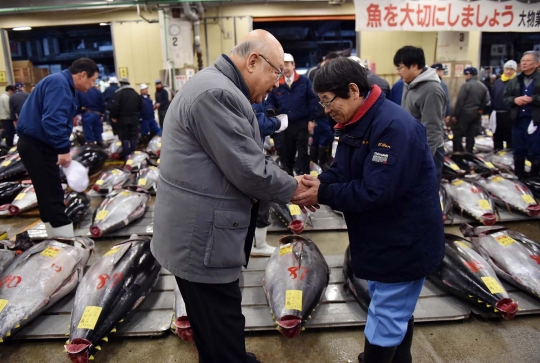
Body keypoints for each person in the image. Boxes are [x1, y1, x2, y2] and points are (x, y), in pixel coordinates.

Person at [151, 30, 309, 363]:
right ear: (253, 61)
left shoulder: (219, 87)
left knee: (213, 323)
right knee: (220, 323)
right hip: (201, 237)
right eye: (276, 72)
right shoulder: (216, 94)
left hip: (202, 231)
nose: (278, 83)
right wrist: (297, 190)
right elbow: (249, 170)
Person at [292, 57, 445, 363]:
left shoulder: (394, 127)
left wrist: (324, 192)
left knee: (386, 318)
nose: (325, 110)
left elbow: (375, 191)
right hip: (381, 238)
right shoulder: (356, 121)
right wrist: (319, 181)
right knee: (394, 310)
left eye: (327, 100)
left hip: (403, 241)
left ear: (353, 90)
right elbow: (345, 171)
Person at [16, 58, 99, 238]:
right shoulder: (60, 85)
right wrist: (63, 149)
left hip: (34, 144)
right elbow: (52, 120)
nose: (92, 85)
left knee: (46, 195)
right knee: (53, 195)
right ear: (82, 75)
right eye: (92, 81)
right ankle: (66, 246)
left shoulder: (60, 83)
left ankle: (55, 239)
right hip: (37, 145)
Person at [394, 46, 446, 182]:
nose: (398, 72)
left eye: (400, 67)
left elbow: (432, 130)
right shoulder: (409, 84)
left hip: (427, 152)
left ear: (414, 66)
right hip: (411, 147)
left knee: (426, 193)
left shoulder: (431, 90)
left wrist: (422, 160)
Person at [266, 53, 318, 175]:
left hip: (301, 124)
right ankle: (288, 178)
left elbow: (312, 101)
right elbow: (270, 102)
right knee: (286, 153)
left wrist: (312, 119)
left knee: (303, 153)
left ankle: (305, 176)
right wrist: (273, 114)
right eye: (282, 65)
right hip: (284, 125)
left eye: (287, 64)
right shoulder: (277, 83)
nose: (285, 68)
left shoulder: (304, 81)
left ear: (293, 65)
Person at [251, 99, 288, 256]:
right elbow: (256, 123)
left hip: (252, 153)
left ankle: (255, 243)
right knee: (261, 200)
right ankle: (258, 246)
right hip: (251, 158)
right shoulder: (251, 96)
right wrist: (276, 123)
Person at [504, 51, 540, 178]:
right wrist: (514, 100)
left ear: (537, 63)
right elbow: (506, 98)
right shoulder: (515, 80)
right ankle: (519, 177)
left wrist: (533, 99)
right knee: (518, 150)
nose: (524, 63)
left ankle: (535, 179)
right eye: (522, 61)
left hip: (535, 122)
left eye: (528, 61)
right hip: (518, 121)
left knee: (536, 151)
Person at [307, 52, 340, 171]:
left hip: (330, 113)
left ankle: (321, 162)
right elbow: (310, 96)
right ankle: (319, 162)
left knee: (326, 137)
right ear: (326, 60)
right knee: (322, 137)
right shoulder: (313, 72)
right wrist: (311, 116)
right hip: (318, 113)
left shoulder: (331, 73)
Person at [452, 67, 489, 153]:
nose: (464, 77)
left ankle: (457, 152)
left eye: (465, 75)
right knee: (471, 134)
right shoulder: (483, 86)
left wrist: (455, 115)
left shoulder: (466, 85)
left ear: (469, 74)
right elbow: (486, 101)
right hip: (476, 114)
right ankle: (469, 151)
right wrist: (480, 111)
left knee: (458, 134)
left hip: (464, 114)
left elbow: (460, 101)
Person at [110, 77, 142, 158]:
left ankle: (126, 156)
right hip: (134, 118)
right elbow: (141, 106)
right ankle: (133, 155)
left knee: (124, 137)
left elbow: (115, 106)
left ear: (121, 84)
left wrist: (114, 116)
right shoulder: (135, 94)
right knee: (133, 136)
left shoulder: (119, 93)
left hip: (122, 119)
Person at [491, 60, 517, 150]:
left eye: (511, 69)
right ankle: (497, 153)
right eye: (507, 69)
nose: (508, 71)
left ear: (515, 71)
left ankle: (510, 154)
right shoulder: (498, 81)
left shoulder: (517, 81)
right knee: (497, 135)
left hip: (510, 113)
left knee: (510, 136)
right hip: (497, 113)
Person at [76, 82, 106, 146]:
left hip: (87, 114)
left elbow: (77, 104)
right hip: (97, 114)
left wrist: (79, 110)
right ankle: (100, 146)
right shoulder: (97, 91)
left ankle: (91, 146)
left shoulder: (80, 91)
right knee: (98, 132)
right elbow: (102, 104)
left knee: (88, 132)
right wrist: (102, 113)